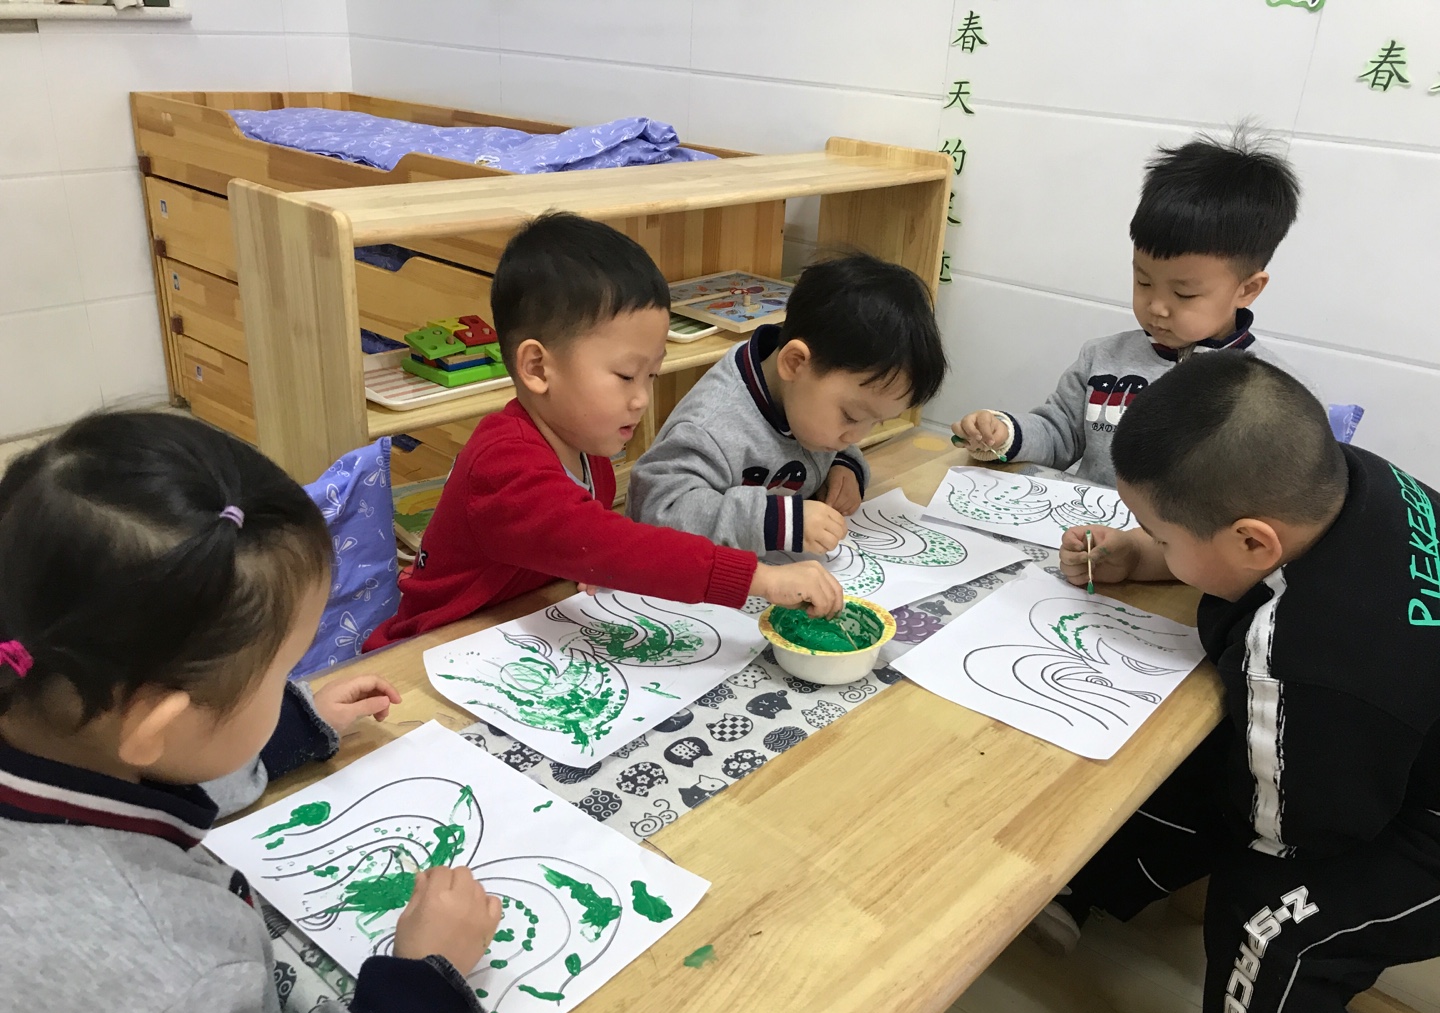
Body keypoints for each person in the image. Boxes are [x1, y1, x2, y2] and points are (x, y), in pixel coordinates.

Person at [0, 412, 502, 1013]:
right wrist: (416, 990)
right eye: (282, 671)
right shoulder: (173, 985)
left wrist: (283, 729)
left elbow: (141, 760)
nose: (292, 682)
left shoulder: (36, 696)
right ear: (159, 726)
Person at [1045, 352, 1440, 1013]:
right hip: (1391, 734)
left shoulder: (1312, 660)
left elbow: (1301, 831)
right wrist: (1146, 556)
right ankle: (1087, 883)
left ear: (1254, 540)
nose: (1157, 544)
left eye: (1163, 536)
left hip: (1416, 816)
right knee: (1215, 752)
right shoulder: (1348, 477)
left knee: (1269, 923)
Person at [366, 214, 842, 650]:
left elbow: (574, 542)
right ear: (537, 367)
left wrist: (579, 560)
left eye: (651, 376)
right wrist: (761, 579)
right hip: (426, 649)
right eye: (625, 375)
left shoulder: (585, 444)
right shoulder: (504, 464)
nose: (642, 399)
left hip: (514, 624)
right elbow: (618, 546)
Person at [952, 131, 1300, 486]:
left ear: (1247, 289)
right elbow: (1058, 433)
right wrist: (1003, 434)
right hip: (1085, 520)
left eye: (1183, 294)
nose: (1157, 307)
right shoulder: (1102, 359)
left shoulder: (1278, 394)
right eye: (1144, 282)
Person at [628, 254, 947, 553]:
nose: (855, 437)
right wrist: (776, 522)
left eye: (875, 422)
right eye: (851, 417)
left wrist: (843, 467)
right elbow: (656, 511)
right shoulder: (714, 424)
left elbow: (828, 449)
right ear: (794, 363)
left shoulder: (806, 405)